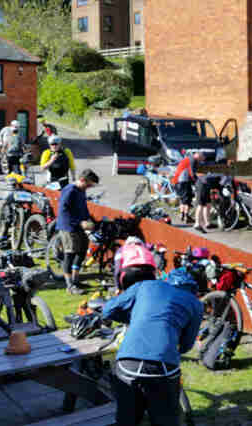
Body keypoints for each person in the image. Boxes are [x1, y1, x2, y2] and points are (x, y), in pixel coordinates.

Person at [102, 264, 202, 426]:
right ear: (192, 289)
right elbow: (186, 345)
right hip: (163, 366)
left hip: (128, 362)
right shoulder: (195, 303)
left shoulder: (145, 285)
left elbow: (108, 310)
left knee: (127, 420)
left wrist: (135, 320)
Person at [56, 169, 100, 295]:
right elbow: (64, 210)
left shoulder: (81, 191)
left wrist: (89, 219)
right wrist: (79, 222)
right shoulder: (70, 190)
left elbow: (84, 207)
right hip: (68, 227)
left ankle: (76, 280)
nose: (89, 187)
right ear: (82, 180)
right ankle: (69, 286)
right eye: (89, 184)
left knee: (81, 252)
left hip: (79, 226)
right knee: (69, 255)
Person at [171, 151, 205, 224]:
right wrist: (198, 181)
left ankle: (182, 215)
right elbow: (192, 173)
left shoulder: (188, 159)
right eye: (201, 158)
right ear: (198, 156)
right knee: (187, 199)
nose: (201, 160)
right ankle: (186, 217)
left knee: (183, 199)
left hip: (177, 181)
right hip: (183, 181)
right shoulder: (192, 160)